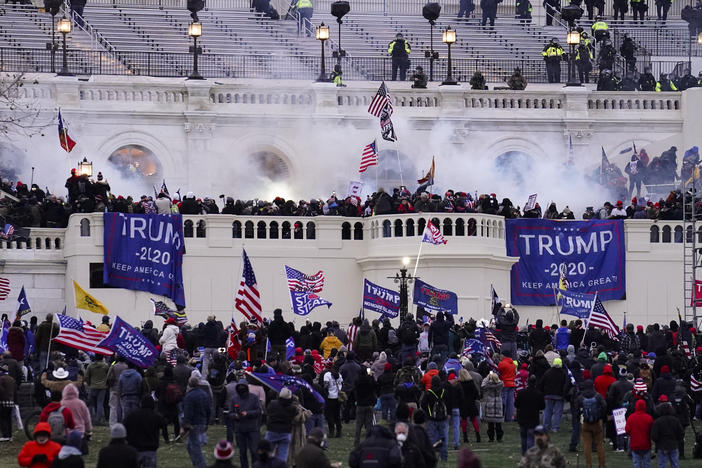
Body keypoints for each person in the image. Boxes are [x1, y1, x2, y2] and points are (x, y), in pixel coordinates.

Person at [123, 395, 165, 468]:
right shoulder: (156, 416)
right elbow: (164, 426)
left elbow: (124, 427)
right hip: (150, 449)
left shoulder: (132, 416)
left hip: (134, 449)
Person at [229, 378, 262, 468]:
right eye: (239, 387)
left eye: (243, 387)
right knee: (242, 452)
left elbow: (258, 411)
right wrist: (236, 416)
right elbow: (230, 413)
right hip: (240, 429)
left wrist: (248, 413)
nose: (241, 389)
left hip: (252, 428)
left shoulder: (254, 398)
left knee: (254, 451)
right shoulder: (234, 399)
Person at [182, 376, 211, 468]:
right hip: (202, 421)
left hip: (193, 423)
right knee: (189, 445)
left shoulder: (189, 396)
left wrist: (186, 424)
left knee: (195, 446)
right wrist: (207, 422)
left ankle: (201, 465)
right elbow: (208, 409)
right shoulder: (204, 394)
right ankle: (196, 463)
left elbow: (188, 411)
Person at [576, 380, 606, 468]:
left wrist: (579, 418)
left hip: (585, 423)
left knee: (587, 445)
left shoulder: (580, 397)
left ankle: (588, 465)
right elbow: (604, 405)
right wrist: (601, 417)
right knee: (599, 444)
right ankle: (601, 464)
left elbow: (576, 409)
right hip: (597, 423)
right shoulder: (598, 396)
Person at [421, 375, 450, 461]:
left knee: (432, 438)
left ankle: (432, 457)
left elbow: (423, 404)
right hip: (443, 418)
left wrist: (428, 412)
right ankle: (444, 457)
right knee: (443, 438)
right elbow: (449, 403)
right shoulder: (444, 392)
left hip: (431, 419)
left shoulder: (428, 393)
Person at [264, 387, 297, 462]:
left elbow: (268, 411)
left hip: (272, 430)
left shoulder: (272, 404)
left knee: (267, 453)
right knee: (283, 456)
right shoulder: (292, 408)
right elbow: (295, 414)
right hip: (285, 432)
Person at [515, 375, 545, 455]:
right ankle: (530, 454)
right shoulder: (538, 394)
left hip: (522, 419)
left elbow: (516, 404)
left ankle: (524, 453)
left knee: (524, 438)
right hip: (533, 419)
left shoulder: (521, 393)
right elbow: (543, 406)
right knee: (531, 438)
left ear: (527, 383)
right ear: (535, 383)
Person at [539, 358, 570, 433]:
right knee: (558, 413)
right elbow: (565, 385)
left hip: (548, 395)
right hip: (559, 396)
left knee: (547, 412)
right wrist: (564, 394)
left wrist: (543, 393)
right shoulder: (563, 373)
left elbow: (541, 383)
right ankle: (555, 428)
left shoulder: (548, 372)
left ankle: (546, 427)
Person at [651, 399, 684, 467]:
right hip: (673, 445)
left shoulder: (657, 422)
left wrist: (658, 441)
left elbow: (654, 436)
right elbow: (681, 433)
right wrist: (676, 440)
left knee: (662, 464)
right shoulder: (675, 420)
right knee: (675, 464)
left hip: (662, 445)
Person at [625, 399, 653, 468]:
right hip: (646, 445)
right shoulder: (649, 418)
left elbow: (627, 431)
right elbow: (652, 431)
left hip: (635, 445)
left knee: (636, 463)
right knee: (647, 463)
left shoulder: (631, 417)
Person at [84, 354, 108, 426]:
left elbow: (86, 376)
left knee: (91, 404)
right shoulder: (106, 366)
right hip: (102, 387)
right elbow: (108, 375)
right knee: (100, 403)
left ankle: (91, 418)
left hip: (93, 386)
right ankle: (98, 419)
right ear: (102, 358)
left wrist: (89, 383)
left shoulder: (90, 366)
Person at [481, 371, 504, 442]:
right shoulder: (501, 384)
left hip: (490, 403)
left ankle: (491, 438)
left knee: (490, 423)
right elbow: (499, 381)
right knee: (498, 423)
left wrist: (487, 378)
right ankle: (499, 437)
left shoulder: (487, 385)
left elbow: (483, 385)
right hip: (498, 404)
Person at [0, 362, 17, 441]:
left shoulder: (1, 379)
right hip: (11, 401)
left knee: (3, 419)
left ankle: (5, 435)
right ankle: (10, 436)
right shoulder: (12, 379)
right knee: (9, 419)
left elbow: (1, 390)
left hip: (3, 402)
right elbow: (15, 391)